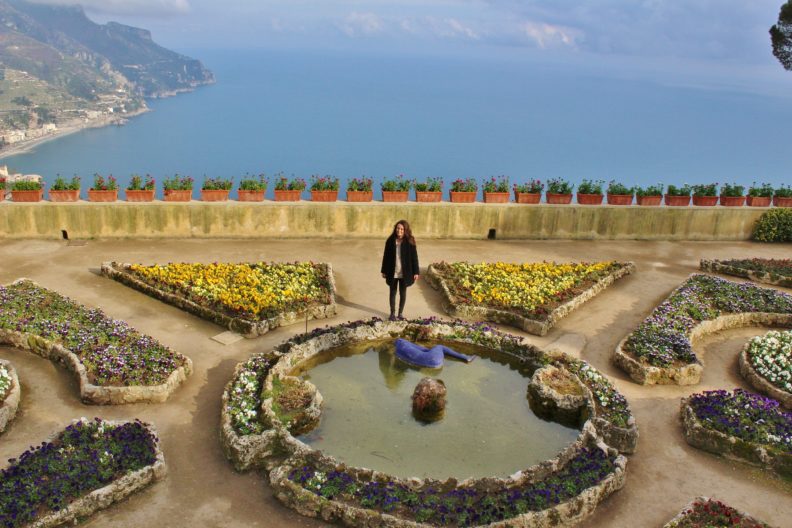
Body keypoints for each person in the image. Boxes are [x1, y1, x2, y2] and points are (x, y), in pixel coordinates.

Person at [380, 219, 419, 321]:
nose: (399, 231)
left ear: (405, 230)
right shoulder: (390, 240)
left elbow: (414, 257)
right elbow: (386, 256)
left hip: (405, 272)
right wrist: (383, 270)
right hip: (392, 271)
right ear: (395, 229)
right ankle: (392, 313)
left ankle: (400, 313)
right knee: (392, 292)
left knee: (403, 293)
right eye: (398, 228)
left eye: (402, 229)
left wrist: (416, 272)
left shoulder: (410, 241)